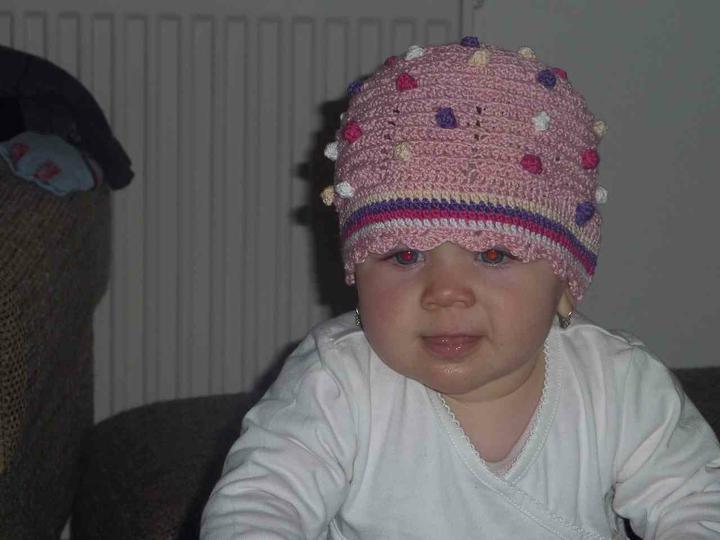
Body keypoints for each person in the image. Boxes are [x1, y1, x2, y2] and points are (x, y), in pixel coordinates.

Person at [201, 39, 720, 539]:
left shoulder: (619, 386)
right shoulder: (337, 382)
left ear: (566, 280)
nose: (445, 293)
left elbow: (698, 503)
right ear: (357, 273)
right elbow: (260, 504)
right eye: (405, 255)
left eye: (493, 255)